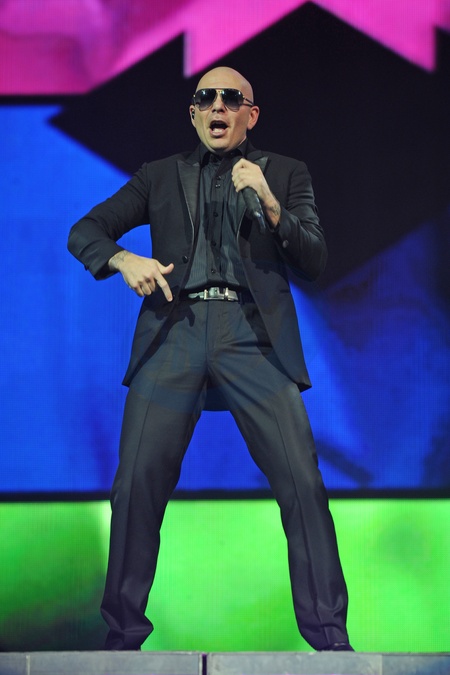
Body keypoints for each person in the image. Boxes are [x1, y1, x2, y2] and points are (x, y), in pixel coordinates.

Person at [68, 66, 353, 652]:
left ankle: (330, 639)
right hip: (174, 330)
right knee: (135, 483)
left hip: (253, 335)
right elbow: (87, 229)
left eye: (231, 98)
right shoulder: (158, 176)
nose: (218, 106)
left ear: (251, 114)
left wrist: (271, 204)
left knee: (302, 481)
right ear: (194, 114)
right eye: (206, 98)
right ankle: (122, 637)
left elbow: (315, 258)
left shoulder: (284, 173)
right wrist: (123, 260)